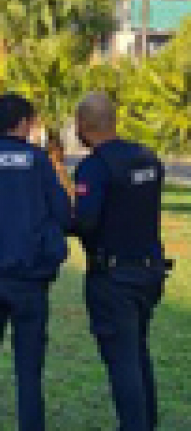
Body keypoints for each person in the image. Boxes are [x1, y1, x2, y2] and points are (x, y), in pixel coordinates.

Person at [0, 93, 70, 431]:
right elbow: (63, 213)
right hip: (29, 281)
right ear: (24, 123)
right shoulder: (38, 162)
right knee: (29, 371)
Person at [71, 92, 168, 430]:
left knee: (122, 362)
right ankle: (146, 421)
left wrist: (57, 218)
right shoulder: (147, 157)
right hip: (149, 271)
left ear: (83, 126)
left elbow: (85, 221)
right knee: (138, 354)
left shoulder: (94, 167)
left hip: (114, 279)